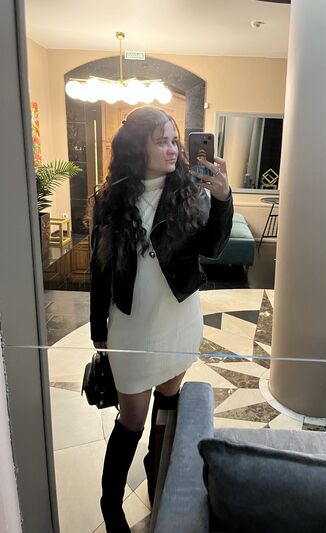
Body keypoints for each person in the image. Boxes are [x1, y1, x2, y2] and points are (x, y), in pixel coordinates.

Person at [89, 106, 233, 532]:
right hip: (132, 327)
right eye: (162, 141)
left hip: (178, 323)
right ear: (139, 147)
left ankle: (160, 484)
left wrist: (223, 199)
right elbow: (99, 269)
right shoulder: (111, 200)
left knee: (166, 412)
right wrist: (98, 328)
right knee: (131, 419)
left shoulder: (189, 192)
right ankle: (110, 505)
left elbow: (214, 248)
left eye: (174, 141)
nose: (172, 149)